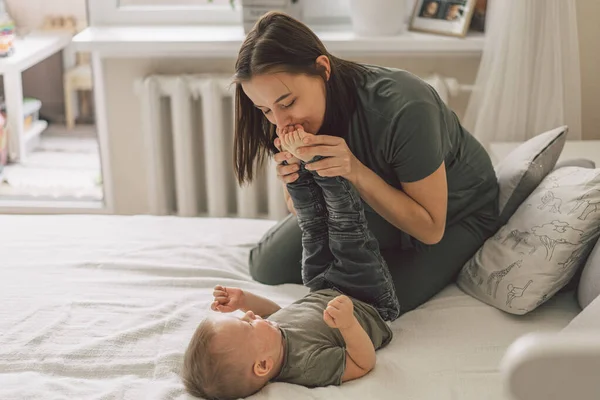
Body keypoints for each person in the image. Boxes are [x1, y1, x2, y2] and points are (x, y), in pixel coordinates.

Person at [235, 12, 499, 317]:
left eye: (287, 103)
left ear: (322, 69)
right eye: (265, 110)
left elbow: (429, 229)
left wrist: (355, 171)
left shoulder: (406, 107)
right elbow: (300, 210)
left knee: (366, 302)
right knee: (266, 267)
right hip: (369, 207)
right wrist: (294, 180)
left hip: (454, 214)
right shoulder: (286, 117)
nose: (280, 122)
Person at [182, 130, 399, 399]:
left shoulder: (272, 339)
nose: (250, 316)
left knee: (313, 228)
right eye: (247, 324)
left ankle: (296, 170)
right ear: (263, 365)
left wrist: (243, 299)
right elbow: (362, 363)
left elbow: (274, 312)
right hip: (366, 300)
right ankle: (325, 168)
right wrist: (347, 325)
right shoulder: (308, 366)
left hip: (321, 285)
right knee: (347, 230)